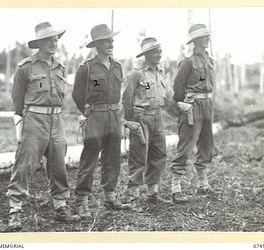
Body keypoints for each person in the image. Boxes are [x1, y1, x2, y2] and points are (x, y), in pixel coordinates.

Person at [7, 21, 80, 229]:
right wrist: (19, 119)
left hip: (56, 121)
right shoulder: (26, 67)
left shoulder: (60, 67)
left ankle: (60, 206)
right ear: (39, 43)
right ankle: (15, 209)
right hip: (34, 121)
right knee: (25, 164)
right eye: (49, 39)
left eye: (56, 39)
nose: (54, 42)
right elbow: (17, 98)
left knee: (58, 165)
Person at [72, 24, 126, 218]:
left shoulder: (117, 66)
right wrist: (86, 111)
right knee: (90, 157)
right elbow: (77, 95)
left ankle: (110, 196)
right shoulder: (86, 67)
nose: (110, 44)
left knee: (113, 157)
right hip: (95, 116)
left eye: (111, 40)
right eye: (106, 41)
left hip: (113, 116)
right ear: (97, 44)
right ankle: (81, 201)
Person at [170, 24, 216, 204]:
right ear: (196, 41)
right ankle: (175, 187)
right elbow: (177, 87)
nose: (207, 39)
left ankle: (203, 183)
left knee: (206, 143)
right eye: (204, 37)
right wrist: (183, 104)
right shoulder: (187, 61)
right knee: (186, 145)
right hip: (192, 105)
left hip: (207, 104)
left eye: (208, 36)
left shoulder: (210, 60)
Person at [122, 37, 169, 212]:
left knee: (159, 153)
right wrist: (131, 120)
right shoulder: (137, 73)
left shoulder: (159, 72)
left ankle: (153, 193)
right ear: (147, 54)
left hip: (158, 116)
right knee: (139, 154)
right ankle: (132, 196)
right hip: (141, 118)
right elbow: (126, 98)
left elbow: (165, 96)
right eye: (155, 52)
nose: (159, 55)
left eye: (159, 51)